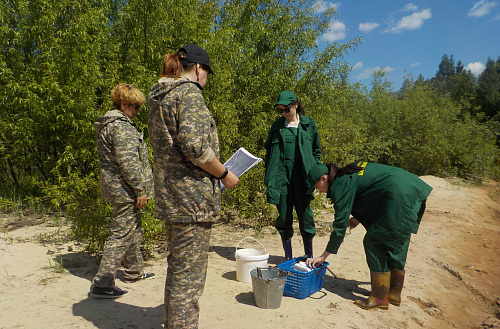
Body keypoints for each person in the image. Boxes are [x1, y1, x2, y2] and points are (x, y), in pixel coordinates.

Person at [147, 43, 239, 328]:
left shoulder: (160, 96)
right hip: (192, 203)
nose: (207, 79)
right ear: (199, 68)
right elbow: (195, 148)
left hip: (172, 198)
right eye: (207, 72)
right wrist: (225, 174)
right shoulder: (188, 94)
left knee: (178, 271)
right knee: (189, 280)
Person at [305, 162, 433, 310]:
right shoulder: (347, 175)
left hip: (399, 196)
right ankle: (393, 293)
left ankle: (379, 297)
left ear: (323, 178)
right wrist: (357, 218)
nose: (317, 190)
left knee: (374, 242)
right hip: (409, 188)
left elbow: (339, 227)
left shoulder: (341, 185)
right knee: (396, 241)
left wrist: (322, 257)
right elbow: (372, 191)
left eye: (315, 186)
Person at [90, 83, 155, 299]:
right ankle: (102, 282)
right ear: (123, 104)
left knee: (132, 228)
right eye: (135, 107)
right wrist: (140, 190)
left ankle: (134, 272)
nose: (137, 111)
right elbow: (129, 164)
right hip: (125, 189)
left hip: (116, 187)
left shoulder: (108, 124)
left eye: (139, 107)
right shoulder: (121, 127)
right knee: (121, 234)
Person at [264, 90, 322, 261]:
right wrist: (270, 172)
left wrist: (314, 170)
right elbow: (269, 151)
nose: (283, 113)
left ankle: (309, 256)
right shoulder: (277, 127)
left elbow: (316, 150)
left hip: (303, 180)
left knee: (306, 217)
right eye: (280, 110)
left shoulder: (309, 124)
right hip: (281, 179)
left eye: (286, 109)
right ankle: (288, 257)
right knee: (283, 217)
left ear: (296, 105)